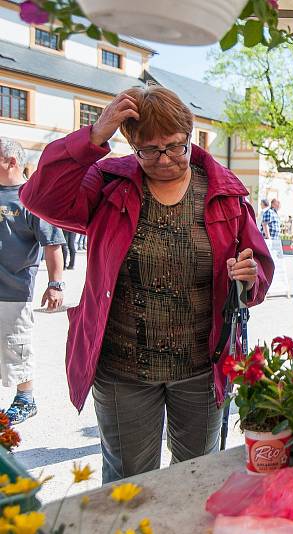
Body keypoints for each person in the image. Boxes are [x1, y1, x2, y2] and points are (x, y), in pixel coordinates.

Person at [21, 86, 273, 482]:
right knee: (128, 481)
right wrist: (93, 138)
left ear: (190, 136)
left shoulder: (225, 195)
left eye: (176, 146)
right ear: (132, 145)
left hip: (200, 369)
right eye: (150, 150)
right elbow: (41, 197)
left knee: (197, 476)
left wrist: (249, 277)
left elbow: (258, 268)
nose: (166, 159)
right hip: (123, 369)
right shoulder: (109, 184)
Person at [0, 137, 65, 424]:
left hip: (15, 290)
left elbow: (52, 245)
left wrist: (55, 284)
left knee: (16, 343)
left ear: (11, 162)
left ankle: (26, 399)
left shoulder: (32, 198)